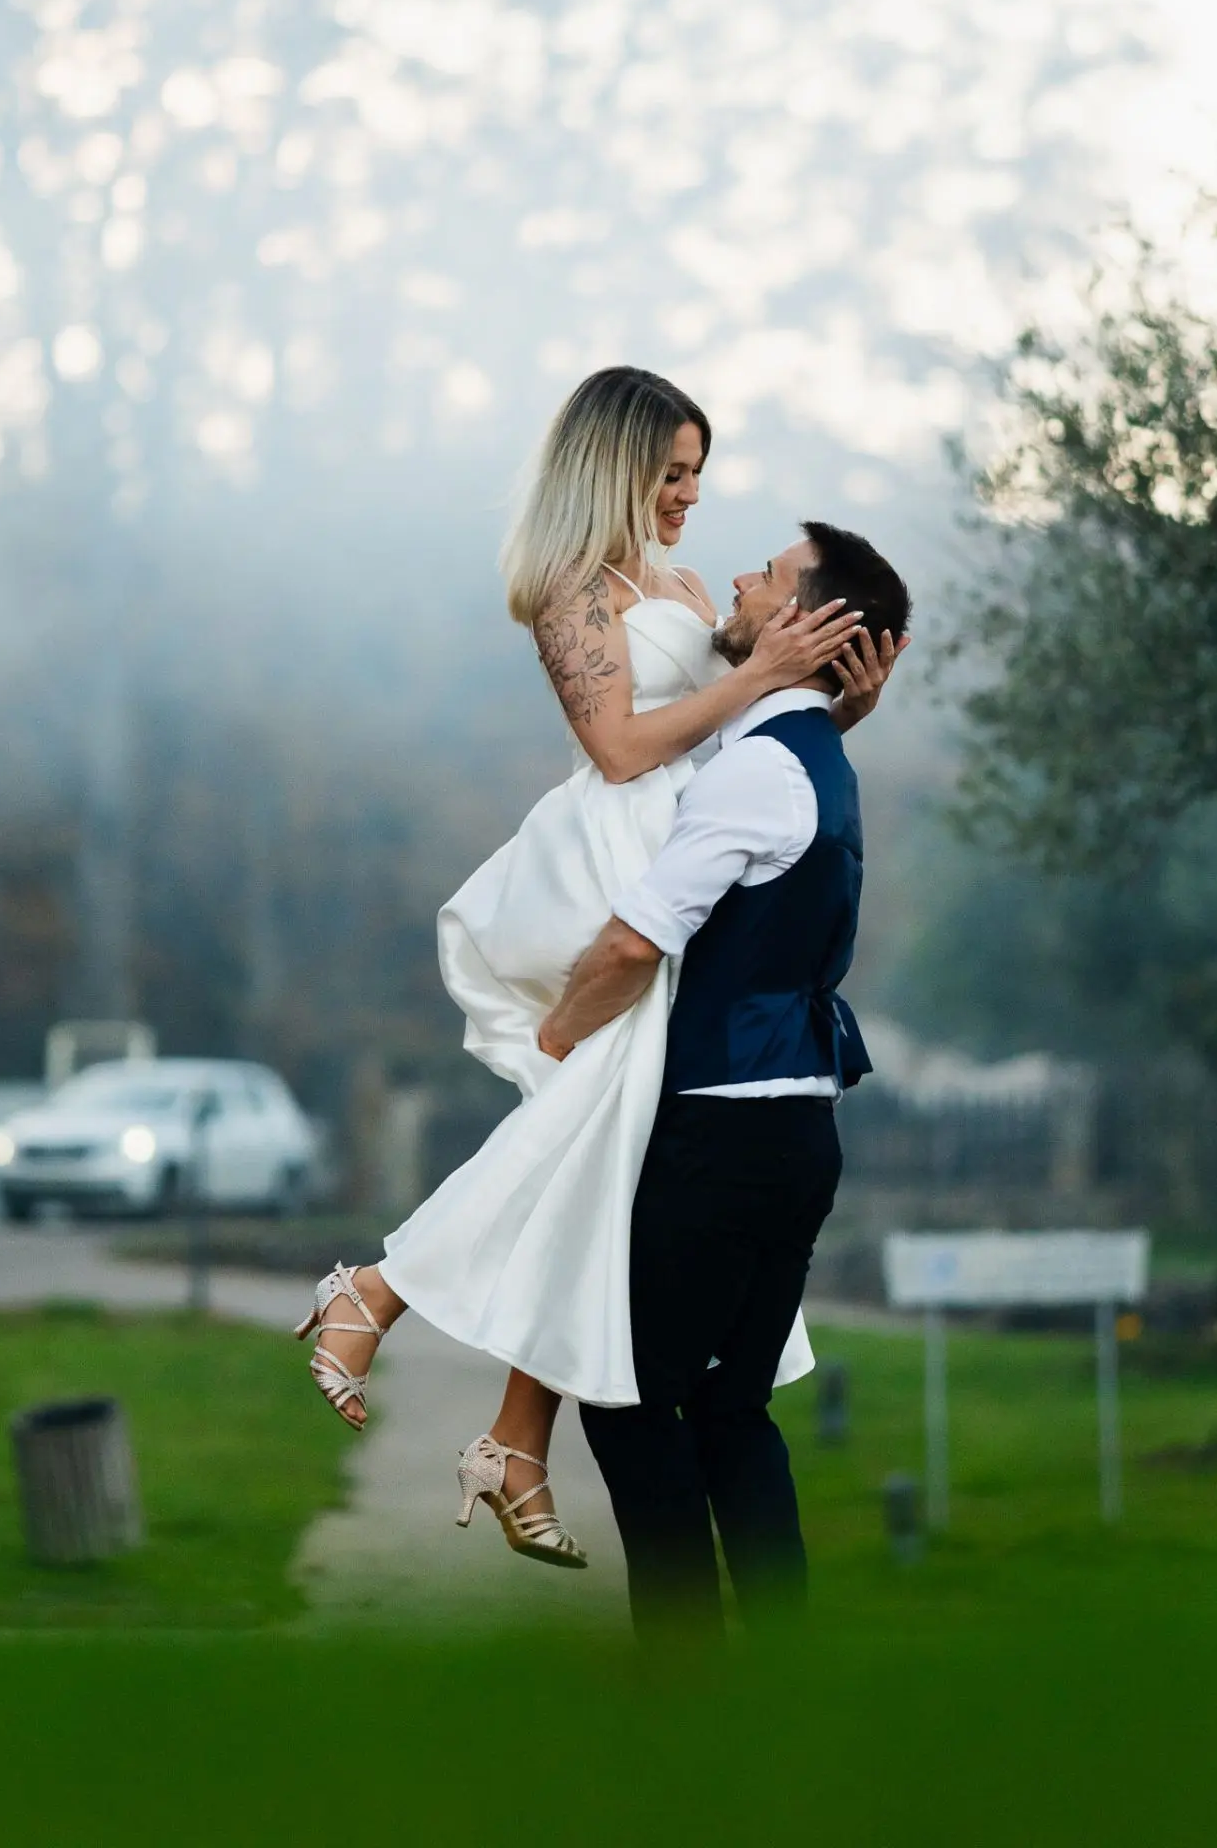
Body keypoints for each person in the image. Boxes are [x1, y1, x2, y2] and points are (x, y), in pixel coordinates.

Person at [294, 368, 902, 1566]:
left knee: (604, 1156)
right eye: (668, 474)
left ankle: (512, 1434)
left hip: (685, 848)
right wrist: (762, 678)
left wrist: (830, 711)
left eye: (695, 476)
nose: (686, 498)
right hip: (614, 858)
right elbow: (620, 745)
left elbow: (745, 741)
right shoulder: (567, 589)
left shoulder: (677, 585)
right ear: (611, 469)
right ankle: (379, 1290)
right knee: (600, 1122)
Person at [543, 520, 911, 1640]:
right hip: (798, 1140)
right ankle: (780, 1678)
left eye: (770, 574)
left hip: (718, 1140)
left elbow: (633, 942)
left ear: (804, 620)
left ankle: (683, 1682)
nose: (742, 577)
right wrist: (843, 704)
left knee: (629, 1400)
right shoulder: (816, 761)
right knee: (729, 1408)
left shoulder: (757, 770)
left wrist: (557, 1043)